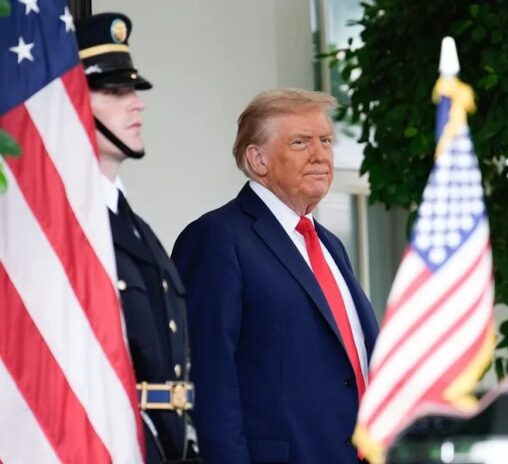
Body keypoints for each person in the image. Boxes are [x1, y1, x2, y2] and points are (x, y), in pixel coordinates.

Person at [172, 88, 380, 463]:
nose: (320, 155)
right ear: (258, 159)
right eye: (300, 142)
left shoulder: (330, 245)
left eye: (326, 141)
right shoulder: (217, 238)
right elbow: (208, 379)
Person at [75, 13, 200, 464]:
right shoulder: (71, 228)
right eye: (114, 92)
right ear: (73, 104)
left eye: (133, 90)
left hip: (163, 446)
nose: (136, 104)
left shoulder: (136, 228)